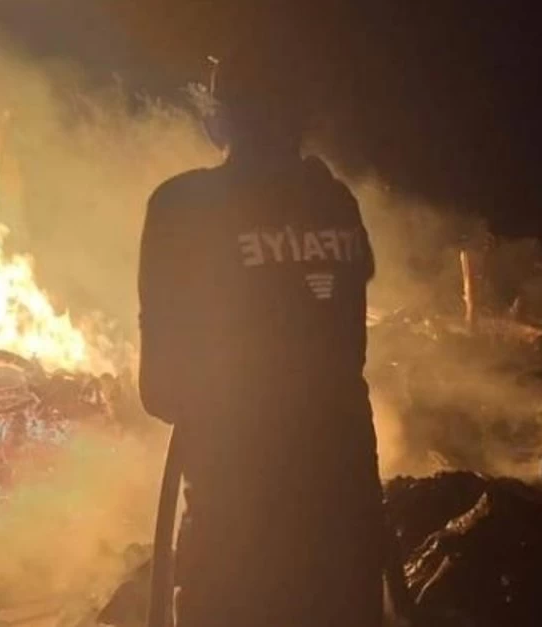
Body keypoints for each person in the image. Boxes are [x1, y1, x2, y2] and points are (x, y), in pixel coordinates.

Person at [137, 51, 386, 627]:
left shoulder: (182, 206)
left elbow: (161, 391)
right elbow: (346, 343)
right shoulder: (335, 201)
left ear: (218, 120)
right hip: (342, 499)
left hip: (238, 510)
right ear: (302, 120)